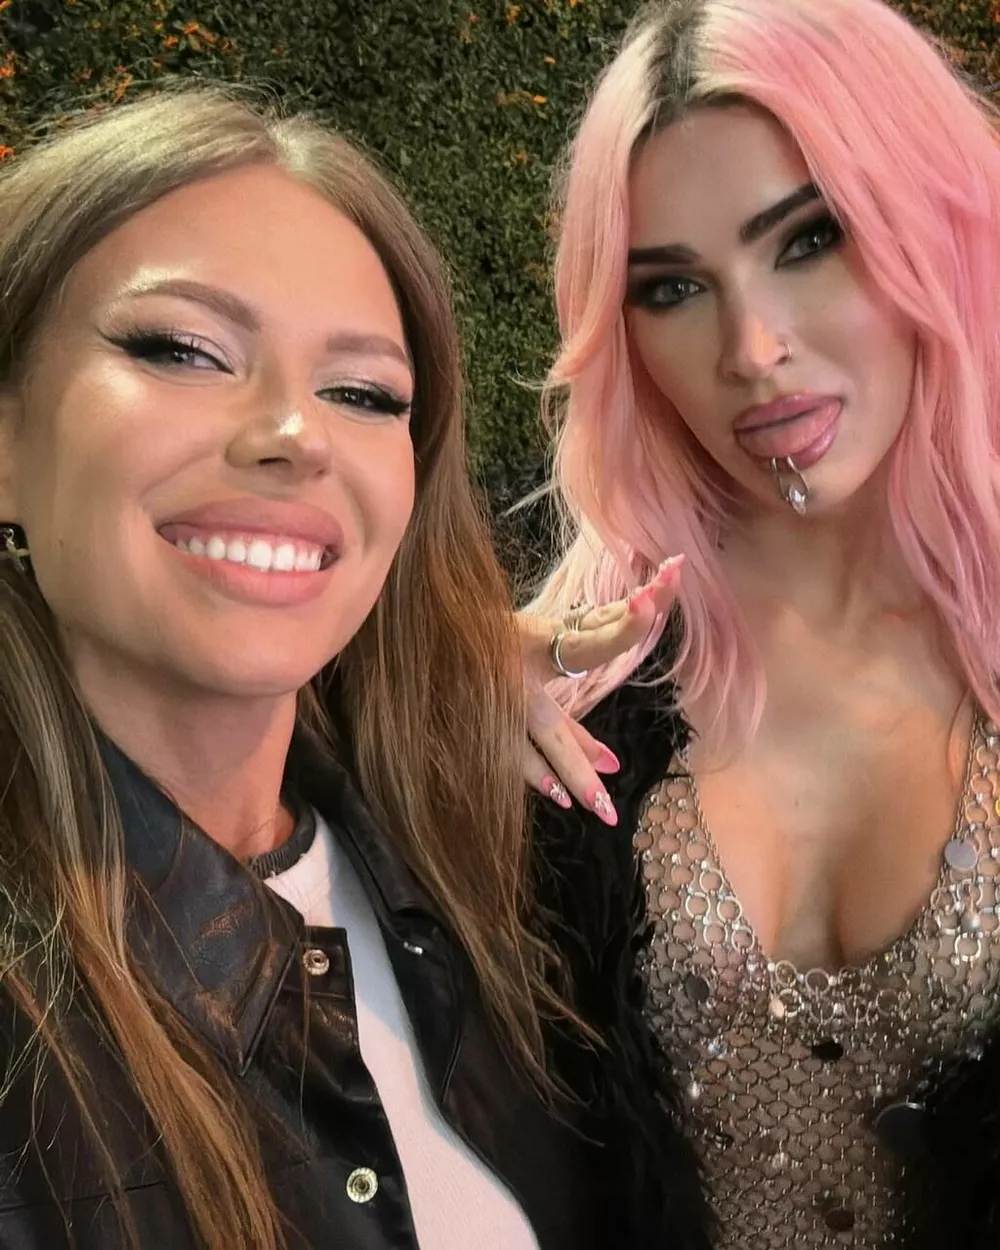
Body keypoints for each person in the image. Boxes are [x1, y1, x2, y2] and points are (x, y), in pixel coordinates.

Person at [0, 84, 634, 1250]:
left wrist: (461, 682)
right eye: (183, 349)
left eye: (361, 392)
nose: (294, 433)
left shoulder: (465, 873)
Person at [520, 0, 1000, 1245]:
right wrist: (412, 709)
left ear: (936, 225)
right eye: (673, 287)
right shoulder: (570, 670)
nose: (751, 347)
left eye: (809, 238)